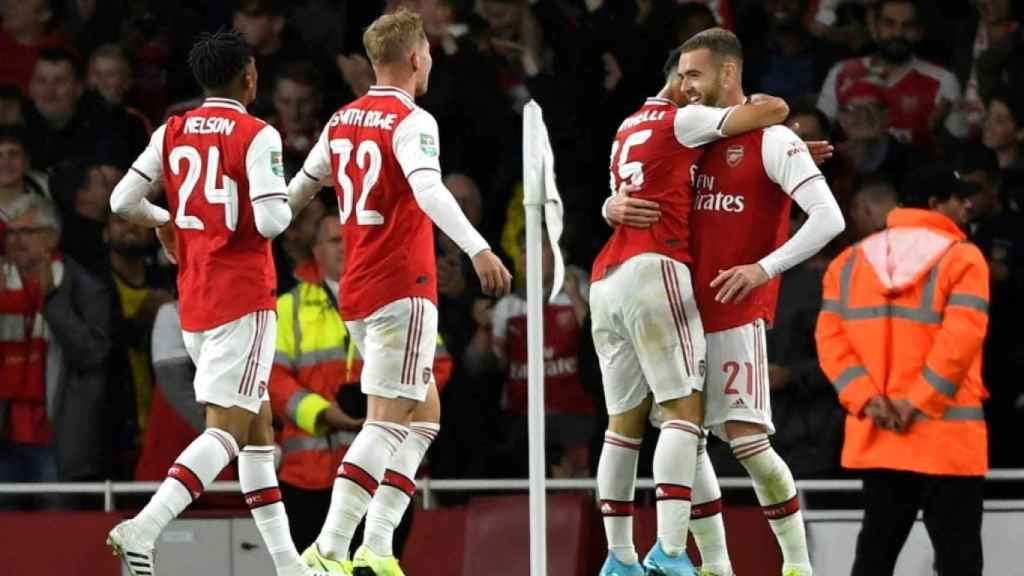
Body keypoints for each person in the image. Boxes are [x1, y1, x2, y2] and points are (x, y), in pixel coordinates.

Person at [607, 29, 845, 576]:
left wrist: (763, 268)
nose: (683, 86)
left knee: (747, 443)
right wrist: (610, 205)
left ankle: (797, 565)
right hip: (678, 310)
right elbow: (640, 177)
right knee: (684, 440)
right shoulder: (689, 134)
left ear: (728, 74)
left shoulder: (773, 138)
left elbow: (830, 218)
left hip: (735, 314)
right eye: (681, 76)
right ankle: (714, 565)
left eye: (694, 75)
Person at [286, 9, 511, 576]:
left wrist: (252, 229)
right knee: (387, 422)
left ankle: (379, 543)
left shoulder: (342, 121)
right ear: (416, 57)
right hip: (400, 288)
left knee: (424, 416)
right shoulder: (412, 120)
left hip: (360, 291)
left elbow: (300, 189)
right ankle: (330, 548)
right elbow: (429, 189)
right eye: (429, 52)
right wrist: (478, 246)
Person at [105, 30, 328, 576]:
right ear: (249, 77)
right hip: (243, 298)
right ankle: (146, 526)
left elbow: (121, 200)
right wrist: (305, 188)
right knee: (228, 430)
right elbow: (275, 220)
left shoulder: (171, 131)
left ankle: (288, 566)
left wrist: (169, 222)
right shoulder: (257, 134)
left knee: (257, 434)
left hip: (196, 300)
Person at [815, 164, 989, 576]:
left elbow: (830, 342)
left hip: (880, 433)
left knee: (874, 554)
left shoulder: (849, 263)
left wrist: (867, 400)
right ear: (934, 205)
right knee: (959, 558)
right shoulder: (963, 258)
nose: (965, 206)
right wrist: (919, 402)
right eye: (956, 198)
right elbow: (960, 340)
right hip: (947, 436)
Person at [271, 211, 453, 555]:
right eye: (335, 240)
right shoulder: (288, 307)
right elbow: (273, 379)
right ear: (316, 251)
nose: (345, 246)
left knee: (376, 562)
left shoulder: (397, 297)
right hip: (309, 475)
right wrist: (323, 413)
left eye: (351, 237)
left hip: (384, 467)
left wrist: (394, 402)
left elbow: (438, 362)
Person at [0, 194, 113, 506]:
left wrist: (52, 300)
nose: (16, 241)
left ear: (51, 237)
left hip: (57, 440)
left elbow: (91, 354)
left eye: (27, 233)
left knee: (56, 540)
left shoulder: (85, 287)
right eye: (11, 233)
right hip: (5, 433)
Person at [817, 0, 963, 149]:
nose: (897, 33)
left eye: (907, 26)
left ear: (919, 31)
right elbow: (819, 132)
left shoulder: (943, 80)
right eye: (889, 24)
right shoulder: (841, 72)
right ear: (875, 27)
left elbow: (959, 142)